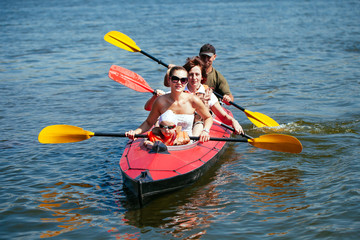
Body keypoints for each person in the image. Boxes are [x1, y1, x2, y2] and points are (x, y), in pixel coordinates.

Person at [126, 66, 212, 143]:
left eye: (183, 80)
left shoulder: (193, 100)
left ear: (186, 82)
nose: (179, 83)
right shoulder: (160, 101)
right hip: (163, 142)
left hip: (186, 142)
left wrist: (205, 131)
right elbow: (149, 123)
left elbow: (208, 118)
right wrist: (135, 132)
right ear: (169, 80)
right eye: (175, 79)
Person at [183, 56, 244, 135]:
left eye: (197, 74)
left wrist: (233, 121)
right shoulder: (179, 91)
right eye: (191, 74)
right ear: (187, 76)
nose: (194, 78)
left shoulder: (208, 94)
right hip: (182, 125)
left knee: (199, 126)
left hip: (199, 127)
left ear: (202, 77)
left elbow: (223, 117)